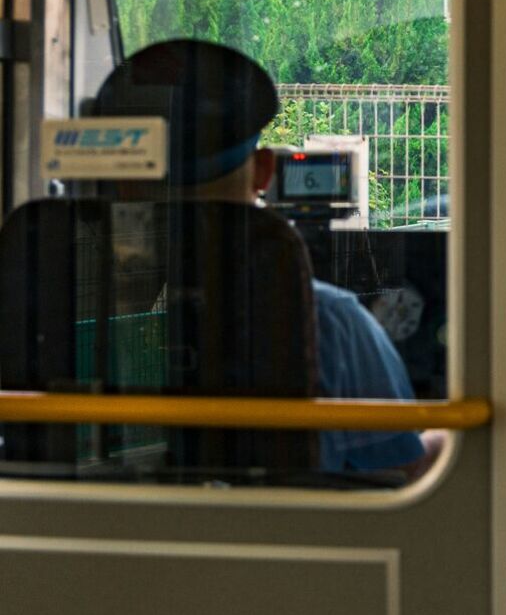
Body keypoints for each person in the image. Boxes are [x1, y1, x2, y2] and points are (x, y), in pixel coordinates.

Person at [89, 39, 444, 478]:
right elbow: (403, 469)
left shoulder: (68, 301)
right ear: (263, 171)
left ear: (121, 183)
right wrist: (446, 436)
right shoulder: (328, 319)